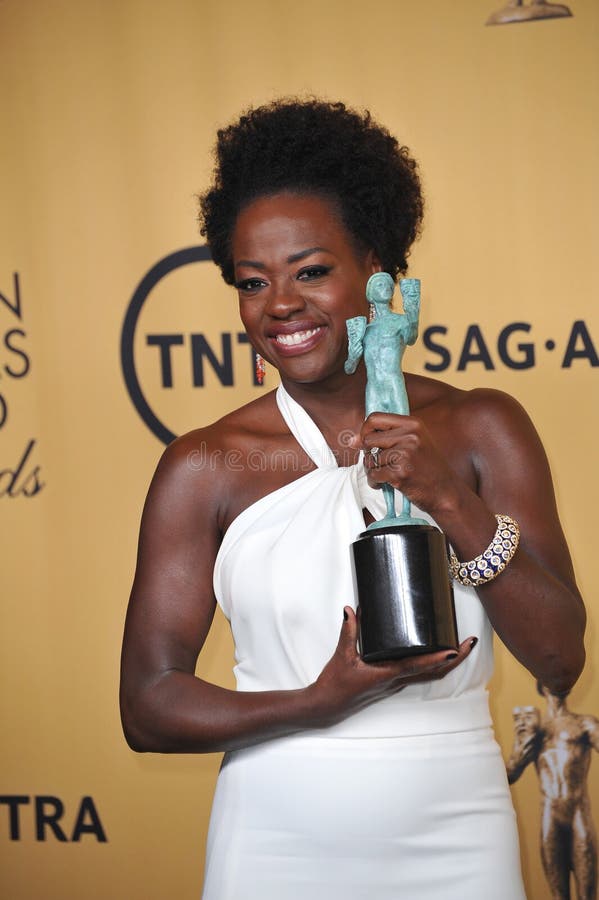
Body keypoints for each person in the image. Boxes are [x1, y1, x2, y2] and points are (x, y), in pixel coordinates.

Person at [119, 99, 586, 899]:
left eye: (310, 271)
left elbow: (558, 657)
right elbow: (148, 706)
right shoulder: (206, 465)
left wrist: (447, 496)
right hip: (274, 838)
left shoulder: (478, 426)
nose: (280, 306)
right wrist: (314, 701)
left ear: (375, 268)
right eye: (252, 282)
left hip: (456, 833)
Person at [507, 683, 598, 899]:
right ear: (542, 685)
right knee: (559, 896)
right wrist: (516, 756)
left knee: (587, 895)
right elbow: (510, 774)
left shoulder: (584, 724)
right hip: (551, 817)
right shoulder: (535, 731)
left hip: (578, 813)